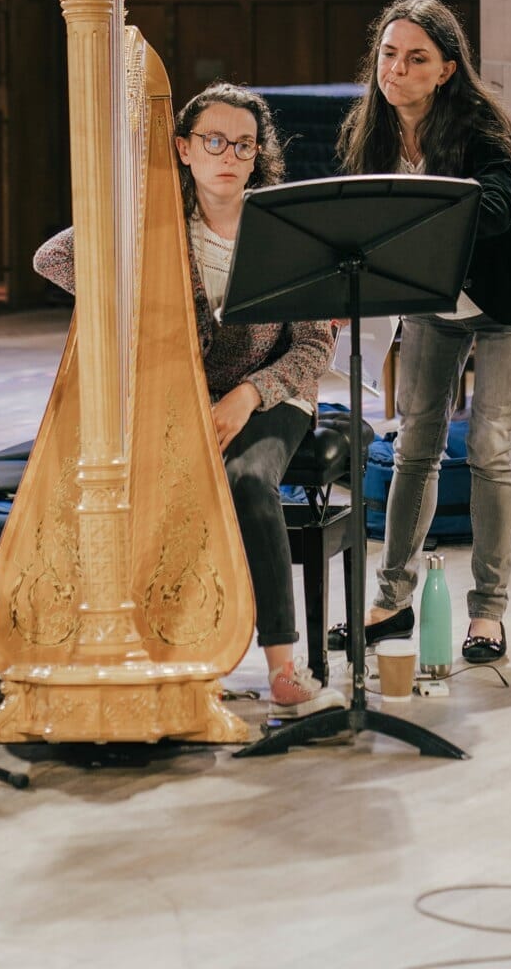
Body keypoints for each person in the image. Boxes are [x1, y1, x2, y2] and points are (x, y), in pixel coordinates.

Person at [30, 81, 344, 717]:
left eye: (245, 145)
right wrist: (125, 211)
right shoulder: (158, 227)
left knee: (248, 480)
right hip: (178, 397)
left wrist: (249, 396)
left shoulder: (286, 230)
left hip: (272, 394)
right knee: (108, 482)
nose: (230, 155)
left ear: (258, 156)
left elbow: (314, 348)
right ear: (183, 148)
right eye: (215, 141)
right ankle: (102, 644)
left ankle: (282, 666)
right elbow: (52, 259)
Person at [331, 0, 511, 665]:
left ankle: (488, 612)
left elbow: (493, 209)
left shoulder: (480, 127)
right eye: (388, 55)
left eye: (416, 58)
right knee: (415, 444)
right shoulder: (371, 131)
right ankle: (391, 600)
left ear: (446, 70)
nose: (397, 70)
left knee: (490, 444)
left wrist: (408, 232)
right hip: (433, 300)